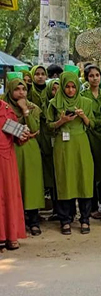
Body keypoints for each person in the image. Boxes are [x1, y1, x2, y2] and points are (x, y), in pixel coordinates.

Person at [47, 65, 95, 235]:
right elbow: (48, 127)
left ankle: (84, 219)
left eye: (73, 86)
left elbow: (93, 125)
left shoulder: (86, 102)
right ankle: (65, 220)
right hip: (63, 144)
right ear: (62, 86)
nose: (70, 89)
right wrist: (61, 121)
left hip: (81, 143)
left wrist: (83, 116)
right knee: (65, 180)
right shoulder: (54, 103)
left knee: (84, 179)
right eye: (67, 86)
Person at [4, 73, 45, 236]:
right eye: (17, 89)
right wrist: (20, 131)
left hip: (30, 150)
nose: (21, 93)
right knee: (14, 185)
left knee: (31, 185)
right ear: (10, 91)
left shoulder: (34, 108)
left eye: (24, 89)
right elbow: (4, 126)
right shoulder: (4, 107)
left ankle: (34, 221)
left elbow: (34, 129)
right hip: (11, 149)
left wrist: (25, 110)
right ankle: (16, 221)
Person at [81, 64, 101, 219]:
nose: (95, 78)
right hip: (88, 136)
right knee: (91, 172)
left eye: (97, 75)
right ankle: (92, 207)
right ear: (86, 78)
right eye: (91, 75)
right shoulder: (83, 97)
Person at [0, 96, 28, 250]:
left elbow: (17, 138)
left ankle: (10, 236)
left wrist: (24, 135)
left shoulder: (6, 109)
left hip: (6, 161)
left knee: (8, 196)